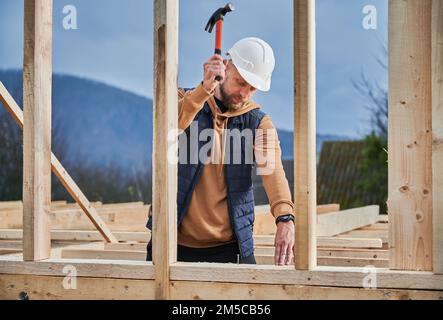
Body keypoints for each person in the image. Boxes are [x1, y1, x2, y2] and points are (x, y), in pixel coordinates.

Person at [147, 37, 295, 265]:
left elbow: (274, 172)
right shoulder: (185, 100)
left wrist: (285, 218)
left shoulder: (258, 123)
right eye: (240, 82)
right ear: (226, 67)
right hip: (171, 244)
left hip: (230, 248)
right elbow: (166, 127)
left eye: (252, 87)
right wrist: (204, 90)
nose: (245, 93)